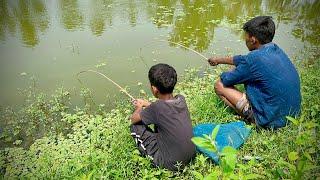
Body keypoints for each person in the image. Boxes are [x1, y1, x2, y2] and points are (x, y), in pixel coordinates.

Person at [208, 16, 301, 129]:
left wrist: (233, 70)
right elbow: (243, 59)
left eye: (245, 36)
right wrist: (218, 60)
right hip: (292, 114)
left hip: (272, 121)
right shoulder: (275, 49)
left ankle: (251, 119)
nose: (245, 39)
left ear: (253, 40)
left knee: (219, 85)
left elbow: (227, 79)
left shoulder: (252, 60)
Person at [130, 63, 195, 170]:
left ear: (154, 89)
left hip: (169, 165)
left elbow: (133, 119)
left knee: (136, 126)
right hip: (190, 156)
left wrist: (139, 107)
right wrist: (146, 103)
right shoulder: (181, 99)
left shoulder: (157, 108)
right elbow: (162, 110)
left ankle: (154, 157)